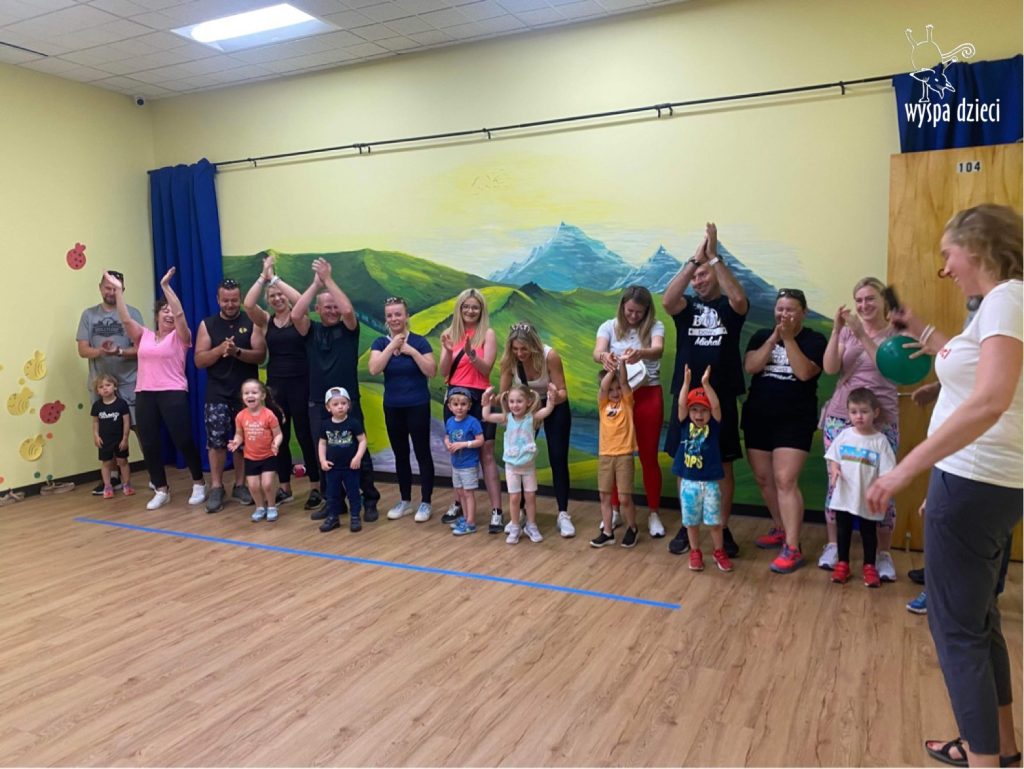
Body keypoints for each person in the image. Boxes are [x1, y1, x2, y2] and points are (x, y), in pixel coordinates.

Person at [866, 204, 1022, 769]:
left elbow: (991, 399)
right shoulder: (1005, 304)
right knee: (978, 622)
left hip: (973, 482)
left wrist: (904, 469)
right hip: (987, 483)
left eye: (948, 255)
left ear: (975, 248)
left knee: (957, 632)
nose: (946, 268)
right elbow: (974, 364)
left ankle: (983, 760)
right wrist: (920, 332)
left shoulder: (1006, 299)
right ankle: (1001, 748)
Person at [662, 223, 748, 557]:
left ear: (716, 274)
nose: (697, 281)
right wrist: (693, 261)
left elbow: (739, 298)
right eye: (694, 277)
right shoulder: (686, 308)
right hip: (686, 396)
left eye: (703, 275)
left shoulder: (730, 308)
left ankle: (721, 528)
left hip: (720, 396)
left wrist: (713, 257)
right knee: (686, 461)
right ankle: (689, 526)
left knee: (722, 465)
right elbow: (668, 300)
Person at [818, 277, 901, 581]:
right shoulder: (847, 332)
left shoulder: (896, 333)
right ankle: (834, 547)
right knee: (837, 483)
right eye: (859, 300)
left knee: (882, 486)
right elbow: (830, 368)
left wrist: (861, 334)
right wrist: (837, 331)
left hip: (882, 419)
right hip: (841, 417)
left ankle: (882, 553)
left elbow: (889, 368)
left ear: (883, 301)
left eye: (870, 298)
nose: (864, 305)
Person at [742, 287, 827, 574]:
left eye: (790, 309)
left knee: (785, 479)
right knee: (764, 478)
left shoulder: (815, 340)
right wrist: (773, 339)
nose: (784, 314)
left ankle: (792, 547)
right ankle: (780, 528)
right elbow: (751, 366)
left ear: (803, 312)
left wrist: (789, 339)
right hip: (758, 417)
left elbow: (804, 373)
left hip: (795, 420)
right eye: (780, 309)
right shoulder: (761, 336)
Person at [107, 269, 206, 510]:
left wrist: (166, 287)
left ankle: (199, 482)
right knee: (149, 443)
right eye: (165, 311)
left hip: (173, 392)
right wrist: (118, 291)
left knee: (182, 439)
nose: (169, 314)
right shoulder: (144, 336)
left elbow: (180, 314)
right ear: (157, 315)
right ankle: (161, 488)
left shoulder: (181, 337)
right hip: (145, 393)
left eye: (171, 311)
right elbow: (125, 319)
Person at [291, 258, 381, 521]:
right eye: (326, 307)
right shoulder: (311, 330)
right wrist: (315, 285)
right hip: (318, 404)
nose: (332, 311)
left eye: (334, 307)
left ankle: (369, 500)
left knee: (358, 452)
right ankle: (334, 502)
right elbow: (295, 315)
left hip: (348, 404)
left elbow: (349, 310)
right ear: (317, 309)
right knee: (325, 454)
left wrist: (328, 279)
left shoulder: (349, 330)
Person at [243, 253, 319, 509]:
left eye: (280, 294)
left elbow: (300, 299)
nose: (277, 298)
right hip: (276, 385)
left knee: (305, 435)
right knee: (279, 437)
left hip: (302, 382)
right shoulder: (266, 322)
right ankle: (285, 488)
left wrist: (274, 278)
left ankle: (315, 487)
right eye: (272, 296)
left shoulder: (300, 318)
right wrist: (262, 277)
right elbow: (248, 304)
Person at [593, 285, 666, 538]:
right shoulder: (608, 326)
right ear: (622, 307)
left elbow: (658, 350)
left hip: (648, 393)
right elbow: (596, 352)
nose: (634, 316)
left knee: (648, 456)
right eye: (629, 311)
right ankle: (614, 509)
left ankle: (654, 512)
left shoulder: (655, 326)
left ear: (647, 311)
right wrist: (604, 357)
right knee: (616, 454)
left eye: (639, 312)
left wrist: (640, 353)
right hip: (617, 397)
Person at [195, 278, 267, 513]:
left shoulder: (251, 321)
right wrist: (219, 350)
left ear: (240, 299)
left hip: (245, 394)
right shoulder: (207, 325)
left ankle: (240, 484)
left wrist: (236, 352)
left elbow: (260, 355)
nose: (230, 304)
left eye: (234, 300)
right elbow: (199, 360)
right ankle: (217, 487)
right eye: (225, 300)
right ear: (218, 300)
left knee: (243, 442)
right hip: (217, 392)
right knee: (216, 442)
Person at [497, 322, 574, 537]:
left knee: (557, 456)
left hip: (555, 405)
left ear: (534, 345)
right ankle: (520, 512)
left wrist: (553, 396)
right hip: (527, 408)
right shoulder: (509, 360)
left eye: (524, 348)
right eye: (515, 349)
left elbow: (563, 392)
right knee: (520, 458)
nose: (520, 353)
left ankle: (563, 513)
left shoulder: (550, 356)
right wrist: (498, 402)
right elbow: (503, 395)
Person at [439, 289, 503, 533]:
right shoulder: (450, 333)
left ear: (481, 310)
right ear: (459, 308)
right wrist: (448, 350)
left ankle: (497, 511)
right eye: (466, 306)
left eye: (475, 307)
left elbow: (486, 370)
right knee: (456, 449)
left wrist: (472, 355)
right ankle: (460, 503)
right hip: (455, 396)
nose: (470, 311)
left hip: (480, 397)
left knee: (486, 452)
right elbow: (444, 371)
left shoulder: (488, 334)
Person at [368, 296, 437, 522]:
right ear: (385, 319)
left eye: (398, 314)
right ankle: (405, 500)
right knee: (400, 454)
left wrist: (411, 351)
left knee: (422, 453)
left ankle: (426, 502)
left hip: (417, 405)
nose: (394, 318)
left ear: (407, 316)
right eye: (390, 315)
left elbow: (431, 371)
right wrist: (392, 346)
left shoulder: (420, 342)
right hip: (393, 406)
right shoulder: (380, 343)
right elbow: (374, 369)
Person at [77, 269, 144, 494]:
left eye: (116, 289)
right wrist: (101, 351)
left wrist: (119, 351)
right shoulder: (88, 315)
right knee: (107, 431)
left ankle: (156, 476)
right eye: (108, 287)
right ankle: (113, 478)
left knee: (140, 428)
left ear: (123, 290)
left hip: (129, 383)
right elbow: (82, 350)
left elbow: (142, 349)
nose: (111, 292)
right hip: (101, 385)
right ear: (100, 288)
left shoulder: (133, 313)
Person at [823, 388, 896, 588]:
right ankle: (842, 564)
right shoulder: (844, 435)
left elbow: (888, 471)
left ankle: (869, 566)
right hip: (844, 496)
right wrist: (834, 470)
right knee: (843, 530)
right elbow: (833, 457)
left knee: (868, 532)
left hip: (867, 498)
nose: (859, 416)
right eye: (854, 412)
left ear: (875, 413)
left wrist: (881, 490)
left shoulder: (880, 441)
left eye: (864, 411)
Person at [670, 365, 731, 572]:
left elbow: (716, 406)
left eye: (703, 410)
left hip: (710, 484)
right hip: (689, 484)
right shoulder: (684, 425)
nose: (699, 414)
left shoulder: (713, 427)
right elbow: (681, 404)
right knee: (691, 522)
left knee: (715, 523)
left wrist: (705, 384)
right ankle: (695, 552)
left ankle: (719, 551)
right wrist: (686, 383)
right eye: (694, 410)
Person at [482, 382, 557, 544]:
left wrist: (551, 398)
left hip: (528, 466)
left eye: (519, 401)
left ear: (528, 401)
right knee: (514, 498)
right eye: (512, 401)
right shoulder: (506, 418)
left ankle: (531, 525)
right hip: (512, 467)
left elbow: (547, 410)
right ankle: (515, 526)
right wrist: (486, 401)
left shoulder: (532, 418)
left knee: (530, 497)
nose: (515, 405)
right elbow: (487, 416)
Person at [589, 360, 639, 549]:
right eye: (611, 390)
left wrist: (621, 365)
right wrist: (611, 371)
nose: (615, 392)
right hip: (605, 455)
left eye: (617, 388)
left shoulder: (626, 403)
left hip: (624, 455)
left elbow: (624, 382)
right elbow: (603, 387)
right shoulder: (603, 405)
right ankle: (608, 532)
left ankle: (632, 528)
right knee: (604, 495)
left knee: (624, 498)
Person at [227, 379, 283, 523]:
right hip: (250, 457)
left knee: (267, 484)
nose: (250, 395)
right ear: (242, 397)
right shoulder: (240, 416)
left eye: (254, 392)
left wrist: (276, 444)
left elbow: (278, 434)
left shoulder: (269, 415)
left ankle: (271, 506)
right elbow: (239, 434)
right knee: (253, 485)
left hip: (268, 456)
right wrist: (236, 441)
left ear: (262, 395)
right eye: (246, 393)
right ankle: (259, 507)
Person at [317, 387, 368, 533]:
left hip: (350, 467)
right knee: (332, 494)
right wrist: (322, 460)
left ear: (349, 405)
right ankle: (333, 517)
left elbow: (362, 440)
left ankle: (355, 516)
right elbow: (322, 443)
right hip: (332, 468)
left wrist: (357, 457)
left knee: (353, 493)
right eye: (335, 404)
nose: (340, 406)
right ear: (328, 407)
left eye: (343, 403)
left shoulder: (353, 423)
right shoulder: (326, 425)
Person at [443, 387, 485, 536]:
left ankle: (471, 523)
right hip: (456, 464)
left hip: (469, 465)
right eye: (455, 404)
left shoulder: (472, 422)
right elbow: (447, 436)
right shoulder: (450, 421)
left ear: (469, 405)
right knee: (460, 492)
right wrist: (447, 443)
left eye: (463, 404)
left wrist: (464, 444)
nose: (459, 407)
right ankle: (466, 518)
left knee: (468, 493)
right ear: (450, 406)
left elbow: (480, 440)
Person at [90, 373, 133, 498]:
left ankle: (127, 484)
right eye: (101, 387)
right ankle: (107, 486)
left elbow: (126, 422)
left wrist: (125, 438)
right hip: (104, 440)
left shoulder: (121, 404)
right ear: (97, 391)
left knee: (122, 461)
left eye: (108, 385)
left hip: (119, 439)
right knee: (106, 463)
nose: (105, 388)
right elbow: (95, 422)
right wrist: (96, 436)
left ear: (115, 387)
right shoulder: (97, 406)